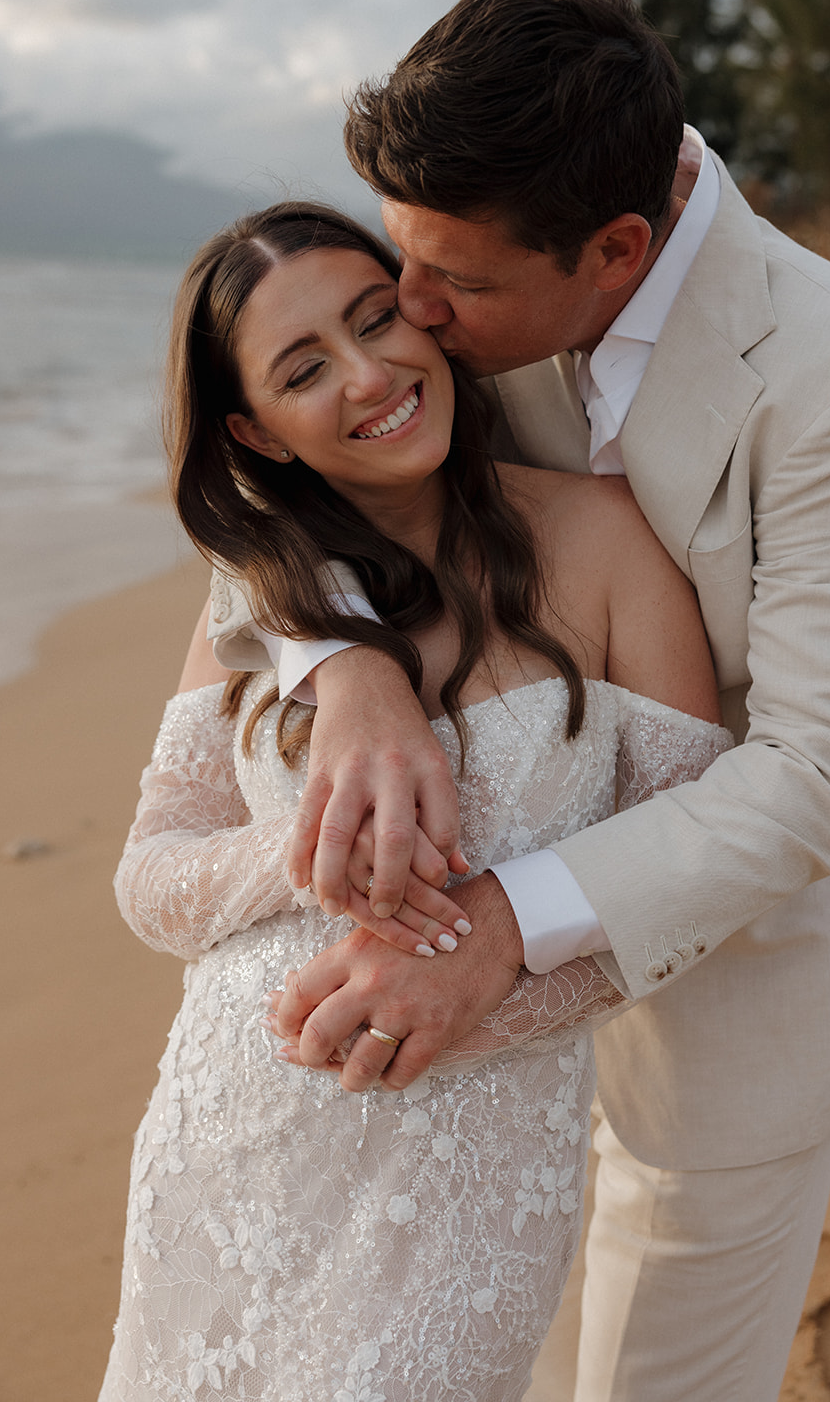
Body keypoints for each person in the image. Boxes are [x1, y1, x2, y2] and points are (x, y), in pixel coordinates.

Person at [249, 0, 830, 1400]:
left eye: (456, 288)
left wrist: (509, 925)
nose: (412, 320)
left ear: (616, 248)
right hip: (480, 1064)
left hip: (727, 1023)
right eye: (399, 264)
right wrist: (353, 672)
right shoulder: (462, 279)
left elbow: (826, 767)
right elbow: (265, 491)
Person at [98, 202, 728, 1401]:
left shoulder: (601, 541)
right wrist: (307, 843)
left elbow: (690, 873)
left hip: (468, 1177)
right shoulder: (252, 594)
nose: (369, 373)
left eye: (374, 318)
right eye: (303, 367)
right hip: (230, 1138)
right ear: (258, 433)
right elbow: (150, 880)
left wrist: (485, 989)